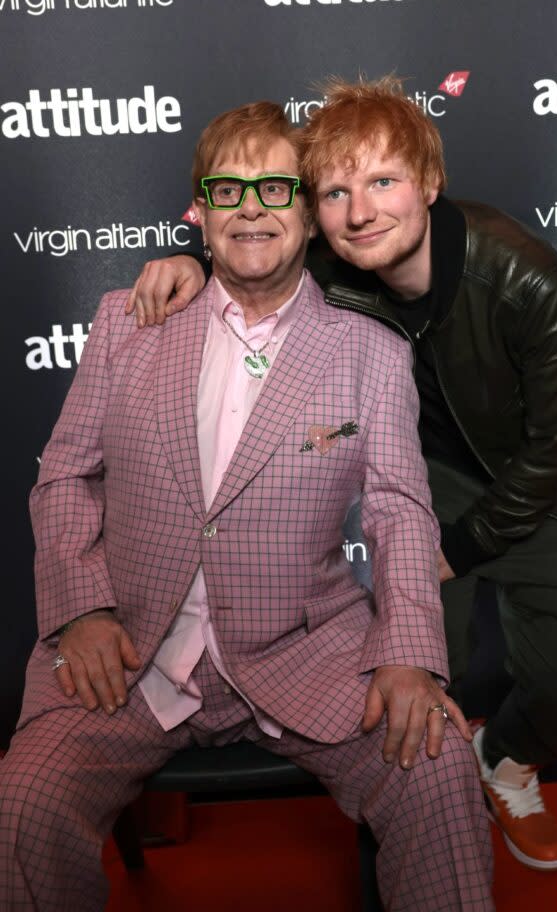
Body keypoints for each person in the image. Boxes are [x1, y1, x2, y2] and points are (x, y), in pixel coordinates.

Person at [0, 101, 494, 912]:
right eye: (228, 190)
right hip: (127, 653)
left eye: (274, 188)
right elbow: (63, 476)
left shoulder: (369, 348)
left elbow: (401, 511)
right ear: (198, 211)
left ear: (307, 214)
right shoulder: (127, 323)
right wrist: (83, 613)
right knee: (22, 806)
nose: (251, 208)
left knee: (437, 771)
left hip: (307, 652)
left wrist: (409, 656)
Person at [130, 76, 557, 873]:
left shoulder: (526, 276)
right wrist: (189, 262)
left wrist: (459, 548)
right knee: (421, 671)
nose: (359, 211)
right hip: (428, 477)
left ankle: (506, 761)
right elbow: (250, 244)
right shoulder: (333, 258)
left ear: (428, 183)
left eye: (383, 182)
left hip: (552, 484)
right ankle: (431, 803)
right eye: (334, 191)